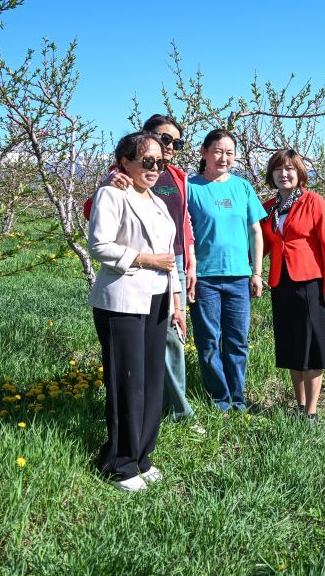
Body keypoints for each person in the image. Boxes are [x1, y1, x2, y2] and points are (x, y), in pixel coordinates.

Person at [83, 114, 202, 433]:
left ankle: (169, 411)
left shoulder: (176, 175)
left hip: (173, 262)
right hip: (136, 274)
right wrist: (108, 183)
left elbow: (182, 221)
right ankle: (152, 419)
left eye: (176, 143)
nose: (170, 149)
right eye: (165, 139)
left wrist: (189, 261)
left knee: (173, 339)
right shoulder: (123, 175)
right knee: (141, 355)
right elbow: (94, 213)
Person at [87, 132, 181, 491]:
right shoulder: (112, 193)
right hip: (123, 300)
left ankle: (142, 455)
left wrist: (175, 299)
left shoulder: (156, 201)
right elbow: (99, 245)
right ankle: (119, 464)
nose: (155, 168)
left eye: (160, 162)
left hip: (156, 298)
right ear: (125, 161)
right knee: (127, 383)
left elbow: (169, 256)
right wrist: (143, 259)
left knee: (151, 381)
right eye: (147, 161)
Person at [258, 149, 325, 423]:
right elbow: (263, 245)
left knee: (313, 347)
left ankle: (312, 412)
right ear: (272, 174)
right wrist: (249, 270)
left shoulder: (313, 202)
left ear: (299, 172)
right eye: (278, 169)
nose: (284, 174)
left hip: (310, 283)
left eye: (290, 169)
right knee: (291, 345)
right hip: (281, 283)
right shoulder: (268, 207)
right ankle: (299, 404)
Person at [186, 129, 265, 412]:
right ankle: (219, 399)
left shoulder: (242, 187)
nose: (223, 157)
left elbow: (255, 231)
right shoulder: (189, 187)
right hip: (204, 277)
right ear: (204, 152)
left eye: (229, 152)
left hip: (238, 276)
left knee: (237, 341)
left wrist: (257, 272)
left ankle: (238, 398)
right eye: (218, 151)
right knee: (208, 342)